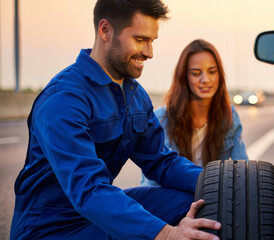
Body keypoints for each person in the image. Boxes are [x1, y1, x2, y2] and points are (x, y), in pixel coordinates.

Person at [10, 1, 221, 239]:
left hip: (96, 211)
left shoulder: (136, 95)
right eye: (140, 40)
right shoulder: (64, 99)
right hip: (51, 228)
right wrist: (166, 234)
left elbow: (162, 163)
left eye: (152, 42)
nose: (150, 53)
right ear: (105, 31)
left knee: (201, 200)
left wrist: (219, 183)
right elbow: (88, 190)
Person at [141, 39, 248, 186]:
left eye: (212, 72)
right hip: (172, 199)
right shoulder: (161, 119)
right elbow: (153, 186)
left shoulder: (229, 115)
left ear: (220, 75)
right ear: (184, 77)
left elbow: (243, 171)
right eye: (196, 73)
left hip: (212, 196)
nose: (206, 79)